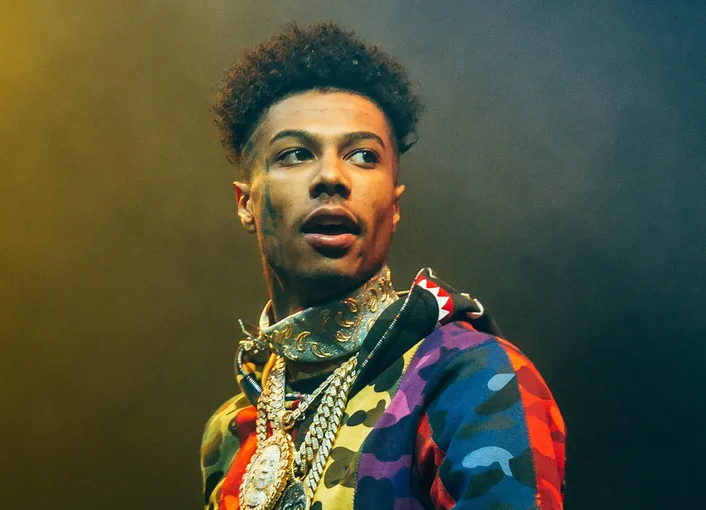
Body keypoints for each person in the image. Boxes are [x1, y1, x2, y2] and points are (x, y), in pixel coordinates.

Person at [201, 22, 565, 510]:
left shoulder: (466, 378)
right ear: (246, 204)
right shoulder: (232, 428)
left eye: (363, 156)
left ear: (394, 206)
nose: (331, 176)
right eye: (295, 154)